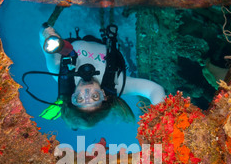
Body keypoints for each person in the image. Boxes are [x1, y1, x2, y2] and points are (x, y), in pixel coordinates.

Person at [35, 19, 165, 129]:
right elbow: (154, 89)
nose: (87, 90)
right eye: (95, 97)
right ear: (104, 96)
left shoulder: (61, 76)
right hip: (104, 43)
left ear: (72, 97)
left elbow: (46, 47)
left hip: (74, 40)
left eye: (79, 98)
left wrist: (48, 34)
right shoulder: (116, 84)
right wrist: (159, 121)